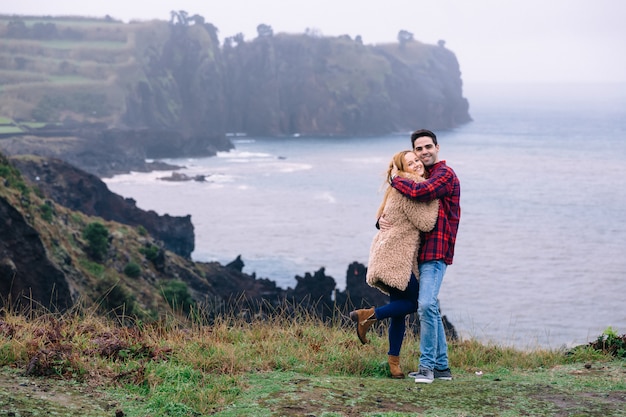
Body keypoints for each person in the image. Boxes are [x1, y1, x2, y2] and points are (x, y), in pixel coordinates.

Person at [349, 150, 438, 379]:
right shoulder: (410, 189)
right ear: (402, 169)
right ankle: (368, 316)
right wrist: (437, 195)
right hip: (394, 257)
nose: (417, 164)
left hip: (390, 254)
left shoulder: (400, 187)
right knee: (415, 303)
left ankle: (393, 363)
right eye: (410, 163)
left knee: (399, 311)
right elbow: (426, 223)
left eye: (417, 160)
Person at [383, 129, 461, 384]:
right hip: (415, 254)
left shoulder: (443, 175)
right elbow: (398, 211)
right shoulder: (420, 176)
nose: (424, 152)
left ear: (438, 147)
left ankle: (426, 367)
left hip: (436, 252)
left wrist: (395, 179)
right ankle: (442, 368)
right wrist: (381, 223)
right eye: (418, 149)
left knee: (426, 305)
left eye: (428, 147)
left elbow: (421, 193)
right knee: (431, 307)